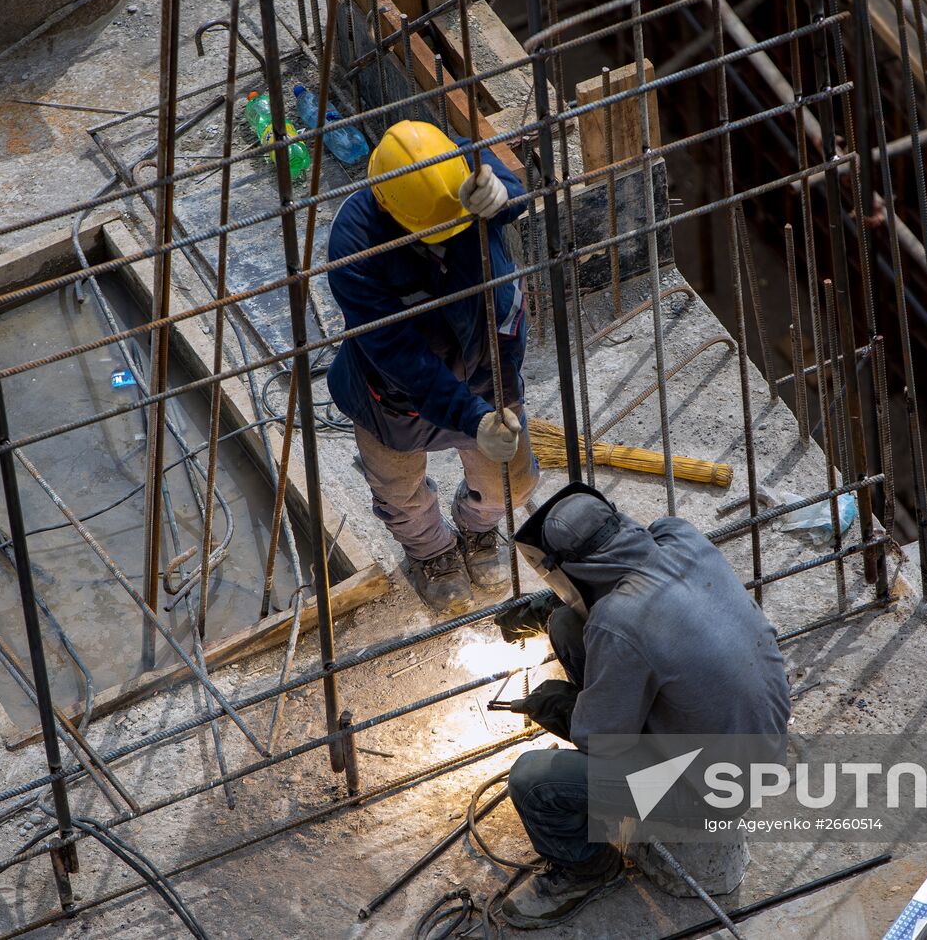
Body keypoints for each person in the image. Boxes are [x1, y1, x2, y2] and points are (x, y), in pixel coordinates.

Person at [492, 483, 791, 929]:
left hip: (710, 792)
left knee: (534, 781)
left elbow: (600, 741)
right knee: (568, 624)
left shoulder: (618, 622)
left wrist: (559, 706)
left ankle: (586, 871)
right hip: (759, 739)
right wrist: (562, 603)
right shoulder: (680, 535)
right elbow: (625, 608)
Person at [327, 120, 539, 614]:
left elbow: (511, 189)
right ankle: (432, 553)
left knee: (514, 482)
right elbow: (401, 357)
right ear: (387, 205)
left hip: (487, 370)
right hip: (395, 397)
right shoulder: (356, 245)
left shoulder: (448, 166)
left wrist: (501, 192)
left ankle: (477, 529)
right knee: (401, 493)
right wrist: (469, 418)